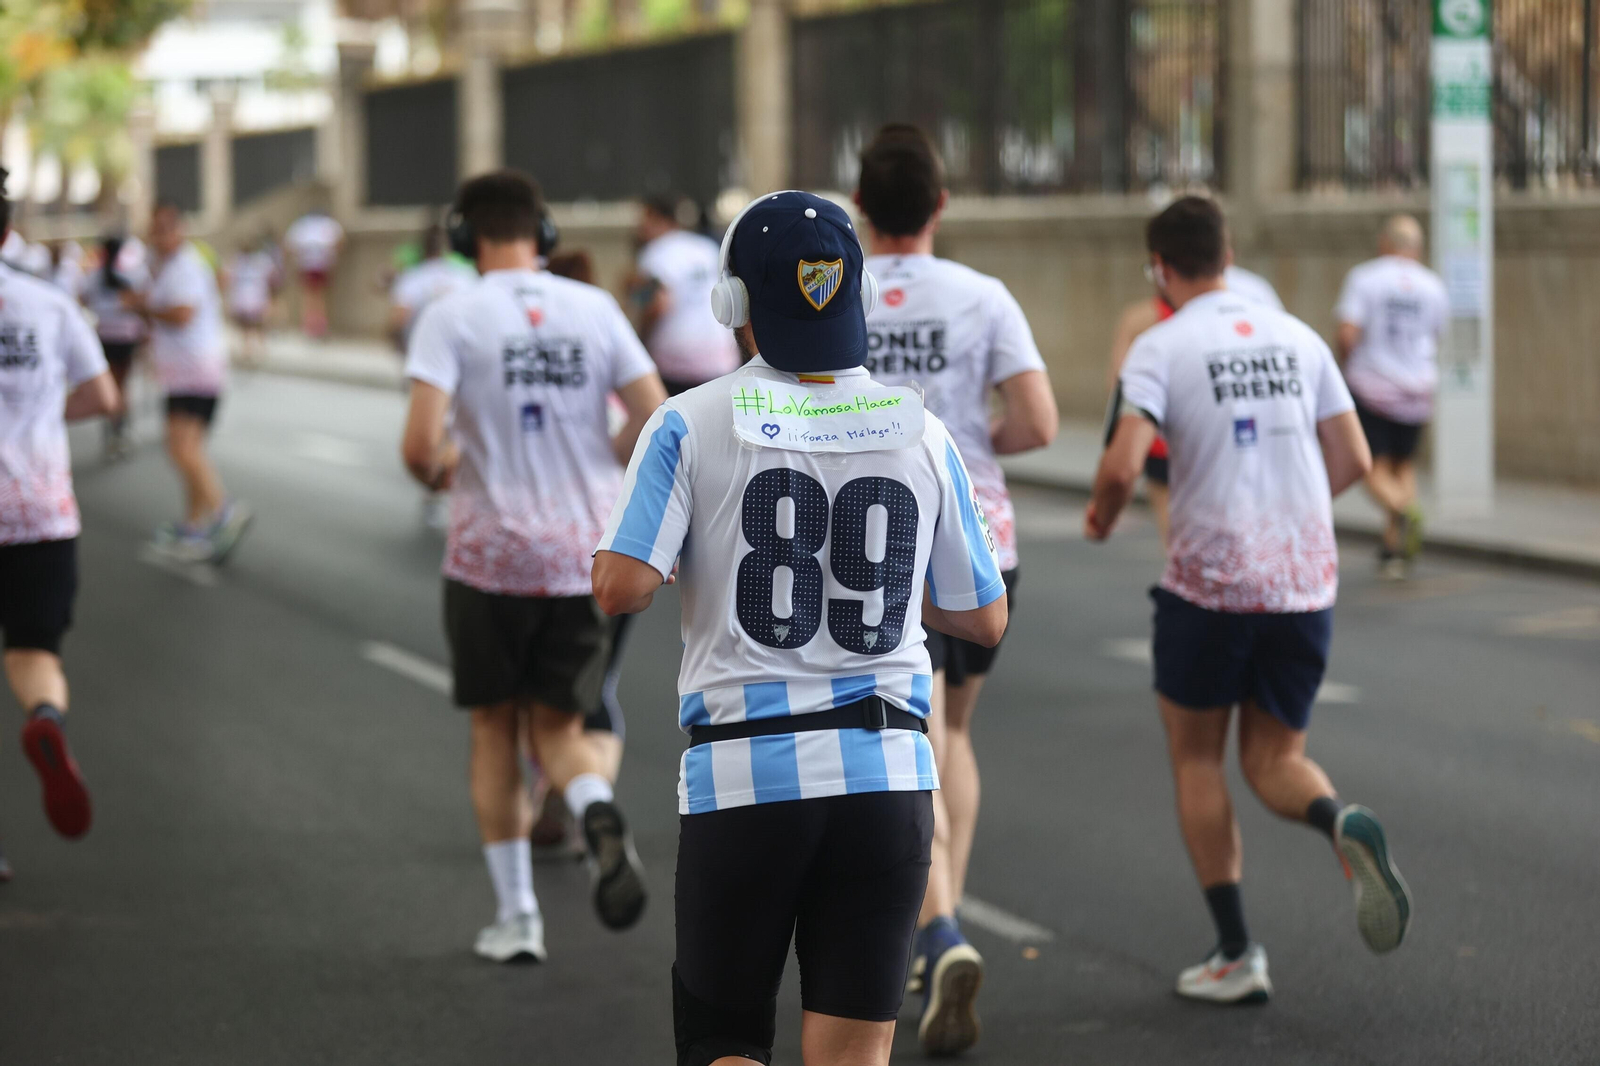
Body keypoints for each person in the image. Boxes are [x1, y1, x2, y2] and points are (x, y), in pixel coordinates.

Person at [593, 190, 1009, 1066]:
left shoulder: (688, 421)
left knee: (726, 1036)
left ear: (732, 304)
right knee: (856, 1051)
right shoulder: (921, 431)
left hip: (747, 778)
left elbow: (621, 588)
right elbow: (982, 612)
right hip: (889, 778)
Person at [1086, 196, 1412, 1004]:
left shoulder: (1159, 345)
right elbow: (1358, 458)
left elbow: (1126, 465)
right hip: (1304, 582)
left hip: (1209, 586)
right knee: (1276, 759)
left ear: (1161, 268)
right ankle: (1337, 819)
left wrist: (1100, 516)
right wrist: (1292, 512)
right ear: (1227, 257)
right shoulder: (1299, 337)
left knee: (1199, 758)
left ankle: (1235, 952)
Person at [401, 170, 664, 962]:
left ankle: (518, 916)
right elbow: (655, 411)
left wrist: (451, 472)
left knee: (494, 728)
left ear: (464, 238)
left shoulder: (451, 315)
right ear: (540, 234)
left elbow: (418, 446)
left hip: (490, 558)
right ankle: (592, 805)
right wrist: (602, 466)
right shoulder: (595, 309)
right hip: (579, 555)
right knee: (559, 723)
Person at [852, 123, 1057, 1056]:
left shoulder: (838, 292)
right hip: (978, 541)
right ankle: (944, 922)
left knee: (905, 742)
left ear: (860, 209)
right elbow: (1037, 423)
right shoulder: (984, 296)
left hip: (866, 543)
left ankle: (934, 930)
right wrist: (972, 448)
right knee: (954, 734)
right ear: (940, 205)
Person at [0, 167, 121, 879]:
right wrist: (45, 417)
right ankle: (46, 717)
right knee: (34, 650)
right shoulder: (49, 303)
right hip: (40, 511)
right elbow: (104, 396)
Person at [1107, 243, 1284, 547]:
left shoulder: (1143, 316)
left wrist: (1115, 441)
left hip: (1164, 435)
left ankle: (1187, 568)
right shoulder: (1253, 295)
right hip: (1232, 430)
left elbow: (1121, 384)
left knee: (1171, 522)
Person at [129, 204, 252, 562]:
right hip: (189, 368)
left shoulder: (185, 265)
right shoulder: (170, 266)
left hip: (192, 370)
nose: (160, 236)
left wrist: (142, 307)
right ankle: (194, 525)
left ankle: (223, 511)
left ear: (180, 229)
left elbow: (182, 314)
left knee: (181, 449)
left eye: (167, 228)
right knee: (191, 451)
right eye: (155, 229)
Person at [1334, 215, 1449, 579]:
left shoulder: (1365, 277)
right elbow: (1437, 333)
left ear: (1385, 242)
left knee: (1369, 466)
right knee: (1403, 464)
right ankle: (1393, 546)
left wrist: (1345, 364)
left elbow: (1348, 333)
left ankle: (1403, 511)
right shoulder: (1432, 284)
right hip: (1417, 389)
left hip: (1373, 386)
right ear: (1417, 247)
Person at [630, 193, 739, 395]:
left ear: (659, 219)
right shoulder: (705, 246)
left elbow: (657, 304)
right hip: (722, 356)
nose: (639, 228)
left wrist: (639, 340)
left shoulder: (655, 253)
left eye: (644, 219)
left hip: (676, 363)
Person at [81, 235, 149, 459]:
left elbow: (83, 298)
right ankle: (120, 430)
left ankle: (112, 430)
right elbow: (141, 301)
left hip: (105, 335)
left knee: (110, 385)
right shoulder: (131, 273)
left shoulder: (95, 275)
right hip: (126, 336)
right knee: (122, 386)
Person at [386, 222, 476, 353]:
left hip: (422, 349)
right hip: (461, 348)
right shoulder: (466, 275)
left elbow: (399, 319)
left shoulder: (411, 278)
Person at [284, 204, 344, 338]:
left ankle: (315, 325)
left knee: (313, 296)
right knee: (314, 296)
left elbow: (289, 245)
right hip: (313, 265)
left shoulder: (306, 225)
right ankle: (313, 325)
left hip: (315, 265)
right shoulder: (319, 224)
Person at [224, 234, 280, 368]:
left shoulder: (260, 261)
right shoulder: (239, 261)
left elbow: (274, 277)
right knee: (247, 327)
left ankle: (258, 350)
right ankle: (248, 350)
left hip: (255, 300)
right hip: (245, 300)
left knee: (257, 326)